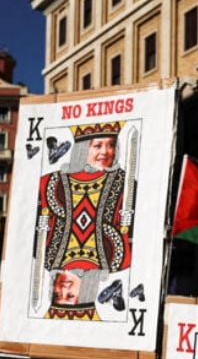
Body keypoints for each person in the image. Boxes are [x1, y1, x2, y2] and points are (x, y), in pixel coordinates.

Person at [34, 122, 133, 320]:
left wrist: (129, 223)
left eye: (110, 145)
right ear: (82, 149)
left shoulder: (125, 182)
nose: (106, 151)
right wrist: (40, 226)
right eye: (97, 146)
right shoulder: (50, 182)